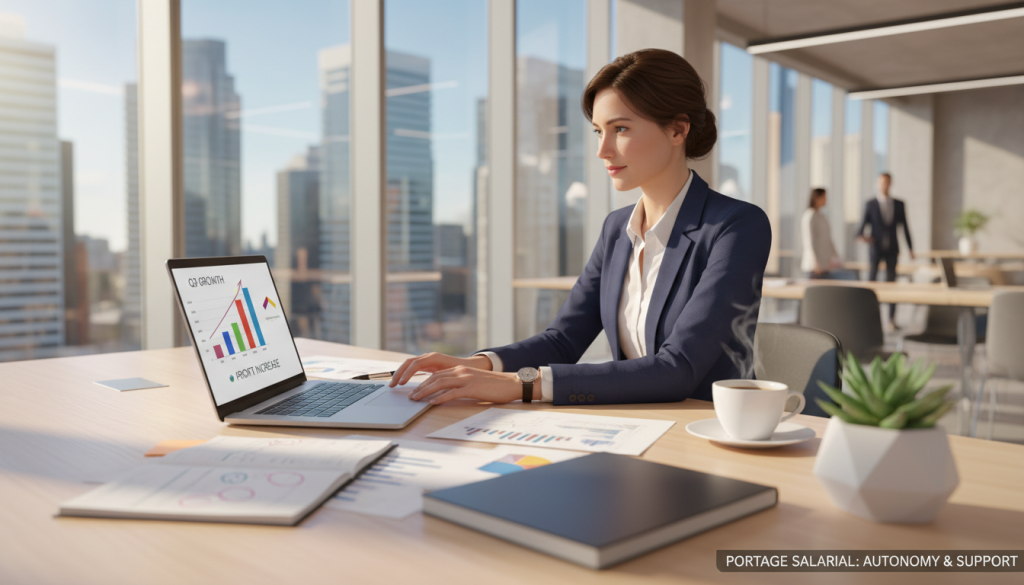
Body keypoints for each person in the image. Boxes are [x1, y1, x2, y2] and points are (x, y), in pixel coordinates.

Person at [389, 49, 771, 406]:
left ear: (677, 131)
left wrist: (520, 385)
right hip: (636, 423)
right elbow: (563, 340)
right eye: (598, 131)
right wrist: (479, 364)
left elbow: (678, 368)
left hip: (702, 431)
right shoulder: (617, 227)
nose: (603, 150)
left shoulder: (736, 226)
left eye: (620, 129)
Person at [856, 172, 915, 325]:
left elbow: (905, 227)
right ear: (877, 183)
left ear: (890, 183)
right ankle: (869, 318)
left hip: (892, 249)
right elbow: (861, 229)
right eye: (881, 182)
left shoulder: (899, 204)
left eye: (887, 182)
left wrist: (911, 248)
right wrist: (864, 237)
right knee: (872, 282)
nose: (884, 185)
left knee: (892, 283)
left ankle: (891, 319)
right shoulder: (870, 204)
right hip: (875, 249)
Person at [801, 188, 842, 279]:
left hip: (825, 265)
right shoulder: (809, 215)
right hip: (814, 267)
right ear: (817, 198)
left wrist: (836, 257)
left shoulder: (821, 216)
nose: (826, 199)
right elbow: (809, 240)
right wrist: (815, 261)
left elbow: (828, 239)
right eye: (824, 197)